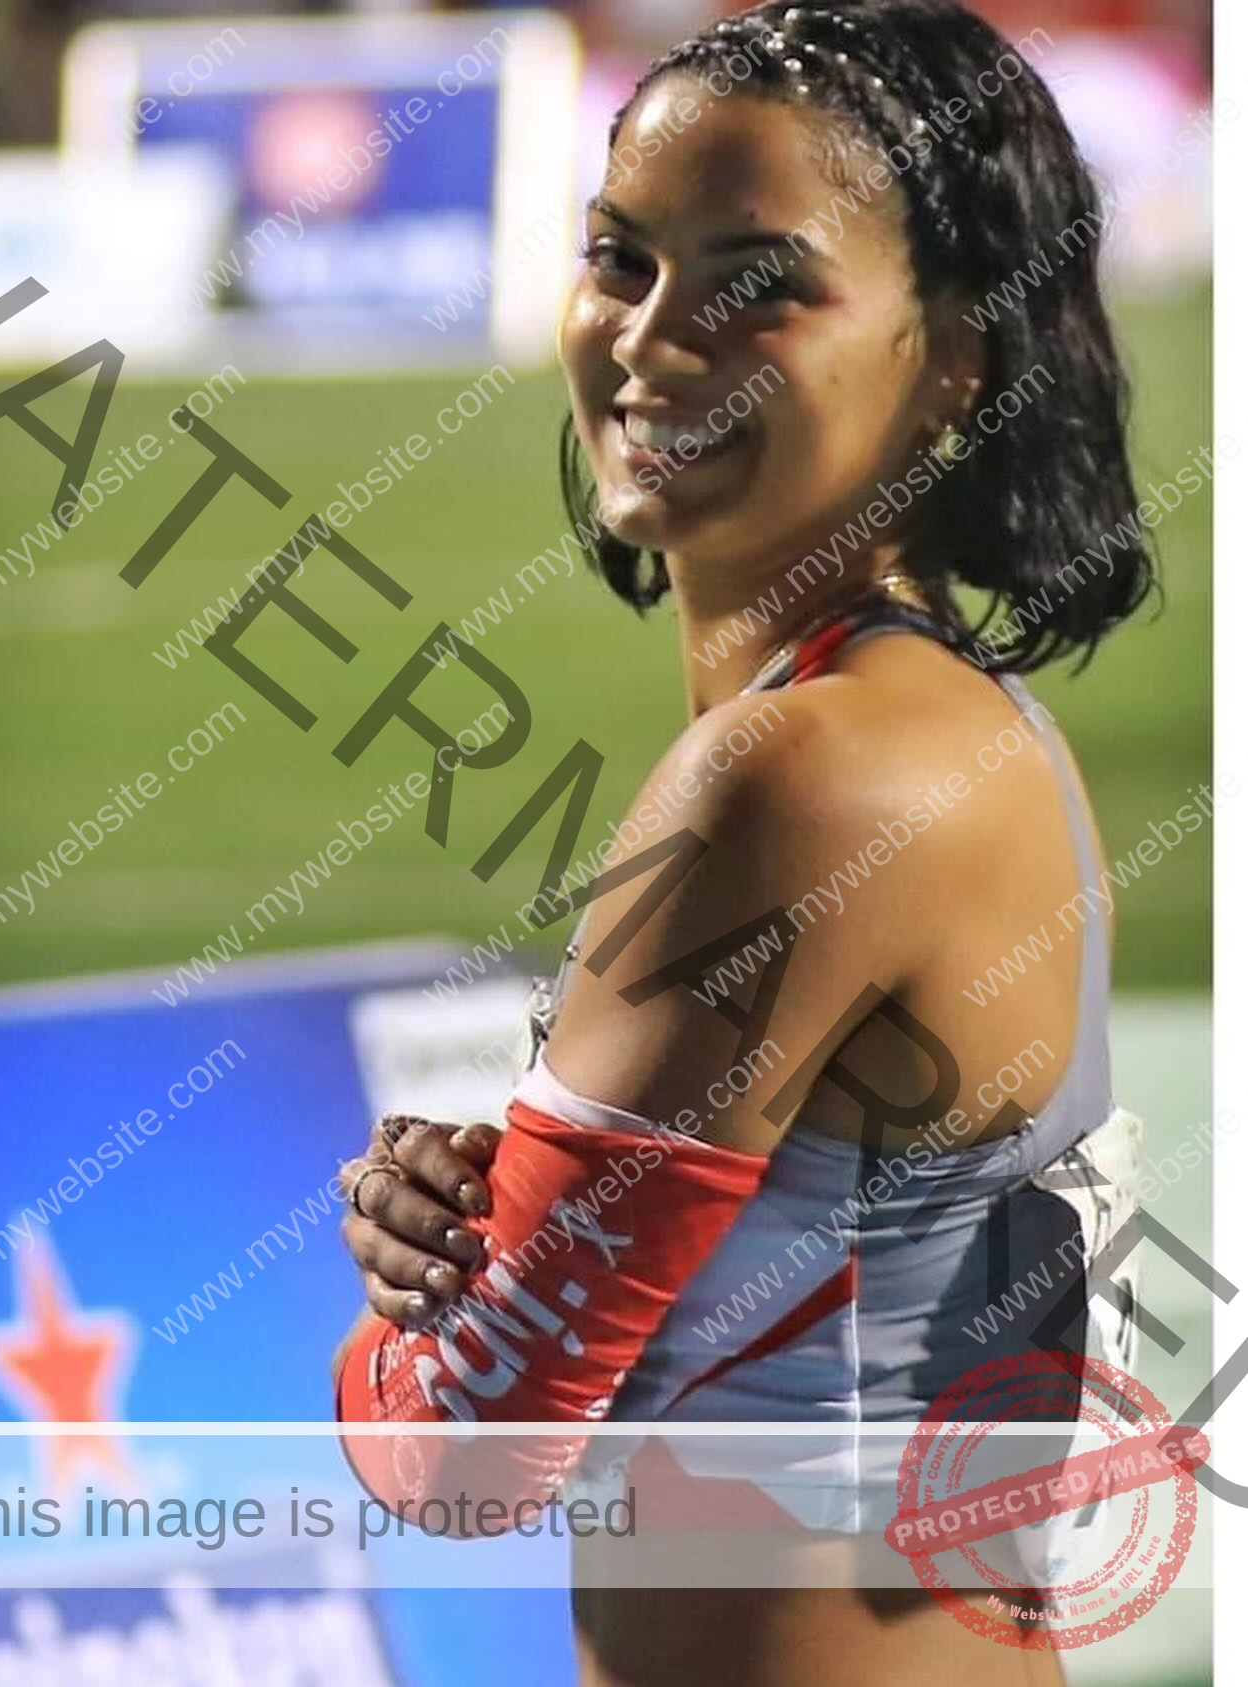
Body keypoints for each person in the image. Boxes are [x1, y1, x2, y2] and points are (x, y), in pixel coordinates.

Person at [334, 3, 1154, 1679]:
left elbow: (460, 1458)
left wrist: (395, 1326)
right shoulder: (953, 723)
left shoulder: (799, 777)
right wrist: (474, 1236)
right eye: (619, 259)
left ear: (956, 355)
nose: (651, 338)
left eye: (757, 282)